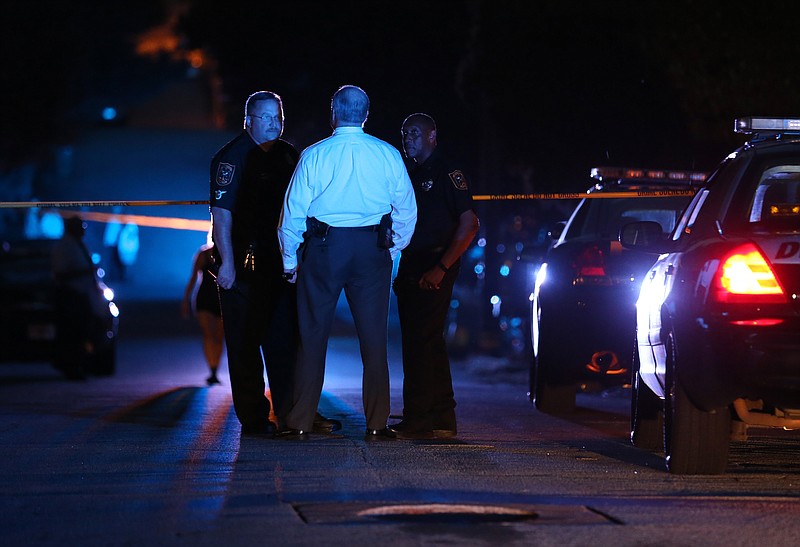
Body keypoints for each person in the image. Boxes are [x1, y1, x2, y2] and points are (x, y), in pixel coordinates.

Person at [277, 85, 417, 438]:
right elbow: (407, 210)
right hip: (372, 249)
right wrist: (393, 247)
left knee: (312, 337)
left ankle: (299, 422)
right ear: (366, 115)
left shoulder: (314, 154)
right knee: (374, 340)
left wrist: (289, 260)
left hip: (325, 247)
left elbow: (292, 214)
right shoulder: (387, 154)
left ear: (333, 113)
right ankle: (377, 423)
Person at [210, 90, 339, 436]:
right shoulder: (231, 158)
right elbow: (221, 216)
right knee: (244, 344)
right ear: (248, 120)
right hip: (244, 262)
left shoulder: (289, 155)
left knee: (285, 341)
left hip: (281, 261)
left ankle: (294, 414)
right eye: (265, 117)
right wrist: (227, 264)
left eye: (277, 117)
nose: (273, 123)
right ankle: (253, 417)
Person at [391, 113, 480, 439]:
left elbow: (469, 223)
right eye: (404, 133)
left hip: (435, 262)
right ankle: (442, 417)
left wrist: (441, 268)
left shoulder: (447, 172)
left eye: (414, 133)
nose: (408, 139)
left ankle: (418, 419)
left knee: (419, 342)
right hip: (413, 262)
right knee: (430, 342)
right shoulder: (410, 173)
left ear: (432, 136)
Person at [51, 215, 103, 380]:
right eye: (81, 227)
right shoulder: (64, 247)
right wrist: (85, 272)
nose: (83, 231)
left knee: (83, 331)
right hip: (70, 296)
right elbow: (61, 274)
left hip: (81, 295)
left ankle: (81, 364)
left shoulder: (77, 245)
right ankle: (71, 367)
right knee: (72, 333)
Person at [181, 242, 224, 386]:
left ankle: (214, 370)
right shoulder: (203, 255)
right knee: (208, 334)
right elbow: (193, 277)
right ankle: (212, 369)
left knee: (218, 336)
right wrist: (186, 299)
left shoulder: (227, 252)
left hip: (220, 300)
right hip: (205, 299)